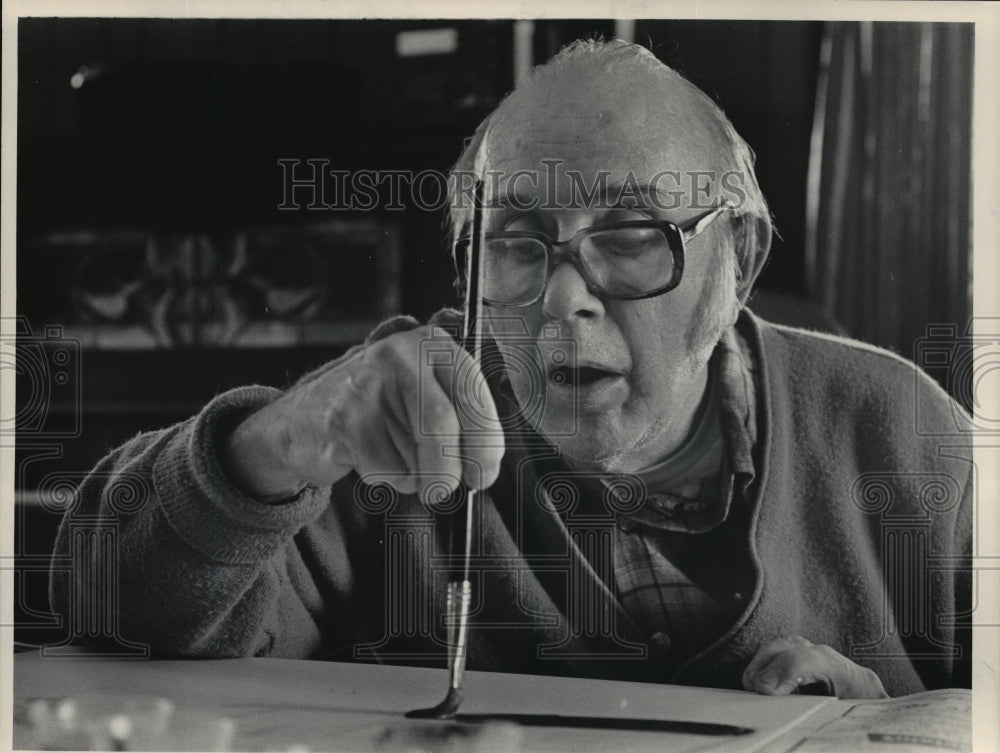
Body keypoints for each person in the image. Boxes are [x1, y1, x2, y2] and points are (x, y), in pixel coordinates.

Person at [50, 39, 971, 700]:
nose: (564, 298)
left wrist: (891, 734)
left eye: (630, 235)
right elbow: (106, 601)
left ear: (743, 261)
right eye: (517, 242)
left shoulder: (902, 428)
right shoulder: (400, 417)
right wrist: (278, 440)